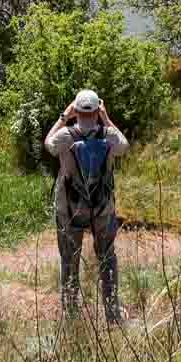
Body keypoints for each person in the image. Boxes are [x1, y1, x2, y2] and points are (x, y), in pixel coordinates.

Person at [44, 89, 129, 324]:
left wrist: (64, 116)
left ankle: (71, 315)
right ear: (97, 110)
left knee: (69, 260)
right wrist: (106, 118)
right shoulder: (110, 136)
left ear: (77, 110)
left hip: (69, 211)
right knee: (107, 258)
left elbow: (47, 144)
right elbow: (125, 145)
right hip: (103, 211)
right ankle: (112, 313)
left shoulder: (65, 136)